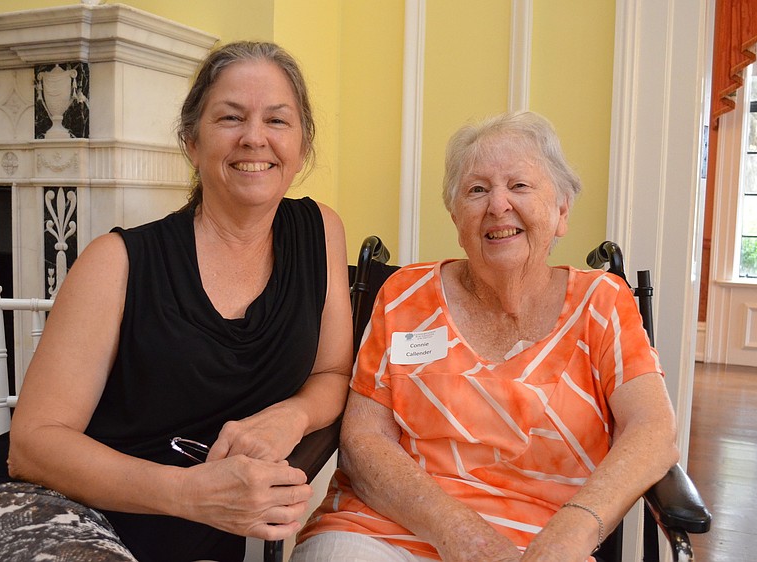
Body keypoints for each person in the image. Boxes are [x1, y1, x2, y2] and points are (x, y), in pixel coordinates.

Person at [0, 41, 353, 562]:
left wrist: (290, 417)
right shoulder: (118, 261)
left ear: (302, 143)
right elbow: (31, 447)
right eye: (230, 117)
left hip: (190, 528)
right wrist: (194, 494)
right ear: (191, 142)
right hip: (49, 508)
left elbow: (332, 372)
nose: (254, 138)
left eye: (277, 121)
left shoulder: (320, 231)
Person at [291, 111, 679, 562]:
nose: (498, 206)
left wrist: (569, 535)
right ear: (456, 217)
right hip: (383, 531)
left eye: (519, 186)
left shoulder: (603, 303)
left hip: (542, 545)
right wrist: (460, 533)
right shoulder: (404, 296)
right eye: (477, 190)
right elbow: (364, 440)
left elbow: (653, 429)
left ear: (561, 211)